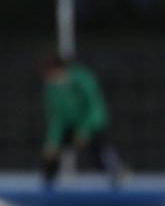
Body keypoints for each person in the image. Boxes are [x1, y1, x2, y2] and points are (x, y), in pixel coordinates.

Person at [41, 55, 127, 188]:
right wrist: (52, 141)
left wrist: (84, 130)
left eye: (51, 74)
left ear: (60, 70)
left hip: (92, 124)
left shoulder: (83, 79)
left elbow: (94, 107)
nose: (49, 79)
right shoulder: (51, 88)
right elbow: (56, 117)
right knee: (51, 153)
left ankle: (117, 172)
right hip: (69, 126)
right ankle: (48, 185)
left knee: (99, 151)